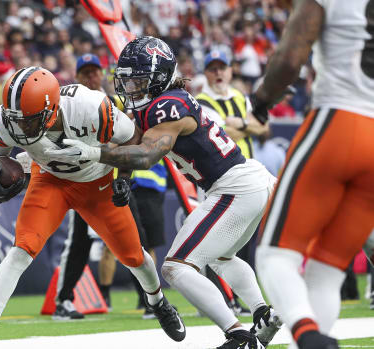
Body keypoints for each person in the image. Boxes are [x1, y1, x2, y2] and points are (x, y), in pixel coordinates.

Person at [46, 36, 280, 348]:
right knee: (222, 256)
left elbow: (146, 155)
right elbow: (132, 141)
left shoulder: (167, 107)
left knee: (175, 268)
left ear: (157, 79)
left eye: (138, 81)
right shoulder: (160, 103)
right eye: (127, 81)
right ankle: (262, 314)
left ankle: (238, 336)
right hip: (243, 182)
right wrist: (123, 177)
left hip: (234, 187)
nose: (130, 89)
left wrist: (93, 153)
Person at [0, 66, 186, 349]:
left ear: (51, 110)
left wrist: (124, 177)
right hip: (49, 181)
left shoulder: (90, 107)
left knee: (133, 256)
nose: (19, 127)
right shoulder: (10, 120)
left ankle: (158, 302)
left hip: (97, 181)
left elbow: (132, 135)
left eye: (27, 120)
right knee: (21, 250)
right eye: (14, 119)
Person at [249, 0, 374, 347]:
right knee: (327, 270)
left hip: (340, 121)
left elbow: (289, 59)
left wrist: (260, 101)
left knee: (275, 254)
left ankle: (307, 335)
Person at [52, 53, 151, 320]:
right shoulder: (70, 104)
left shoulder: (116, 102)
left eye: (95, 72)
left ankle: (149, 300)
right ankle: (64, 299)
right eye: (86, 73)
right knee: (79, 242)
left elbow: (133, 139)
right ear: (78, 78)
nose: (91, 77)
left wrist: (109, 154)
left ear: (101, 75)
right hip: (84, 180)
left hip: (115, 178)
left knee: (134, 236)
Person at [197, 49, 270, 316]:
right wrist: (245, 125)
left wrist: (238, 123)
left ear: (230, 70)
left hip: (248, 179)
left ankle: (242, 299)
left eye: (222, 67)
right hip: (219, 179)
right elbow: (224, 132)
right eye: (213, 68)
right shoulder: (201, 101)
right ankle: (222, 300)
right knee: (217, 242)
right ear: (206, 72)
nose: (218, 73)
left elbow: (262, 127)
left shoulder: (240, 97)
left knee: (245, 243)